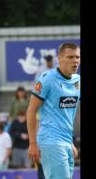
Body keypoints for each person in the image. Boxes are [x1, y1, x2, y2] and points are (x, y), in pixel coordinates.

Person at [27, 43, 80, 179]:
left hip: (66, 141)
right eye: (70, 57)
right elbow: (31, 111)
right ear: (59, 58)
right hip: (50, 140)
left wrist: (69, 142)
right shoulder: (48, 79)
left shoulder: (77, 80)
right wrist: (33, 143)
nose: (75, 61)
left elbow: (66, 115)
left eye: (77, 57)